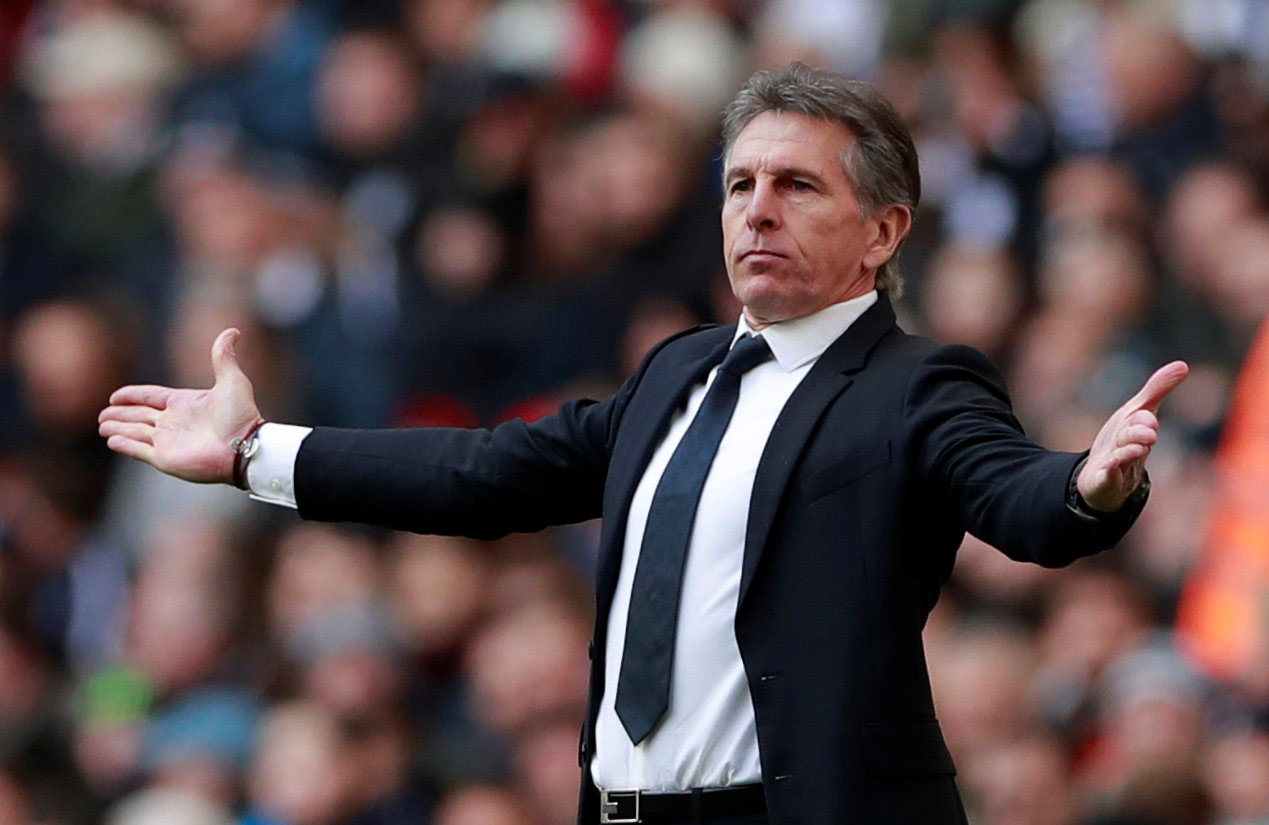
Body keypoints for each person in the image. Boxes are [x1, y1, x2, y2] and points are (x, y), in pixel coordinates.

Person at [98, 63, 1188, 825]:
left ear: (884, 230)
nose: (757, 210)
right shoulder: (677, 370)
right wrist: (254, 453)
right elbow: (486, 473)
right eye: (740, 184)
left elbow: (1014, 495)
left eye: (798, 186)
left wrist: (1089, 486)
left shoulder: (916, 384)